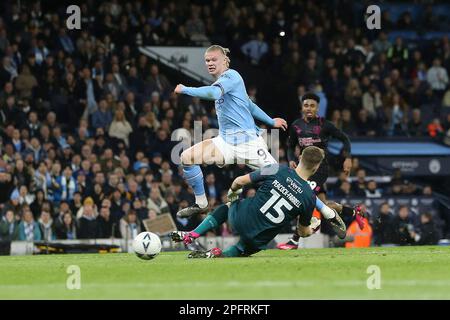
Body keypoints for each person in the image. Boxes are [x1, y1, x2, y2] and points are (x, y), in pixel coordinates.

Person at [173, 45, 287, 218]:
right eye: (207, 60)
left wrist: (185, 89)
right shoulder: (223, 83)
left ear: (225, 60)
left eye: (214, 59)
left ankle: (323, 211)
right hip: (225, 142)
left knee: (281, 178)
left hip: (249, 143)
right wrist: (271, 121)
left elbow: (213, 93)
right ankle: (201, 204)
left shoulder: (231, 76)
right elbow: (249, 105)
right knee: (186, 157)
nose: (210, 63)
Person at [169, 146, 346, 258]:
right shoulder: (309, 197)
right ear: (315, 168)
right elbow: (302, 232)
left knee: (229, 207)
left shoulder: (277, 169)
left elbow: (239, 181)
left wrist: (233, 197)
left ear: (299, 158)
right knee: (243, 249)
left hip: (241, 217)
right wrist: (313, 227)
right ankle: (216, 254)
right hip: (259, 236)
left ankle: (192, 234)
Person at [278, 92, 363, 250]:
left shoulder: (325, 124)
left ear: (317, 108)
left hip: (320, 169)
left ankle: (295, 240)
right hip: (304, 169)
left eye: (312, 105)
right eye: (306, 105)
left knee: (302, 198)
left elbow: (345, 139)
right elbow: (290, 145)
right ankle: (353, 212)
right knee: (322, 205)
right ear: (302, 107)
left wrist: (348, 158)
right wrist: (290, 159)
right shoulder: (296, 125)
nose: (309, 108)